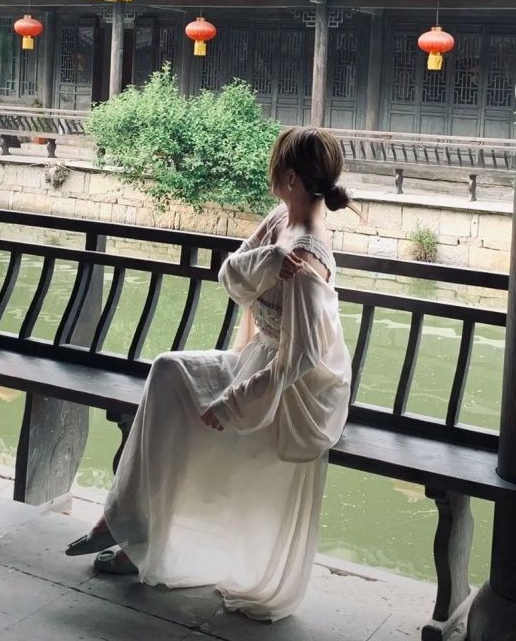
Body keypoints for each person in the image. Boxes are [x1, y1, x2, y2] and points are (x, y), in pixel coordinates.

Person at [65, 126, 352, 622]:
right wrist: (270, 257)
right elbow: (231, 273)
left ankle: (131, 535)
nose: (270, 175)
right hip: (259, 358)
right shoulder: (279, 223)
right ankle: (126, 522)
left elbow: (303, 356)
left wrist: (234, 402)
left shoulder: (308, 257)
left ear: (289, 178)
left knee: (187, 411)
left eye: (275, 168)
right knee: (168, 371)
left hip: (295, 390)